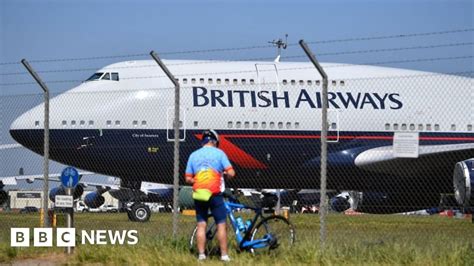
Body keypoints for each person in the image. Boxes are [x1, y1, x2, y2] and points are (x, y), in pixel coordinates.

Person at [185, 129, 236, 262]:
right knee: (221, 224)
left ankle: (201, 255)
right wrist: (225, 175)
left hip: (200, 194)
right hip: (215, 194)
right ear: (215, 141)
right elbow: (231, 172)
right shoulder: (220, 154)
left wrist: (197, 180)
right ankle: (224, 256)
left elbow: (188, 178)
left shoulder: (193, 155)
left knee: (201, 225)